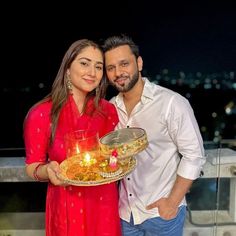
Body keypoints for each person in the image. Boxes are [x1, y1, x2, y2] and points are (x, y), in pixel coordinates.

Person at [102, 34, 206, 236]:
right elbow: (114, 156)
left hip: (161, 214)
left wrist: (171, 203)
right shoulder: (111, 107)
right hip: (124, 214)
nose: (118, 72)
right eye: (111, 68)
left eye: (124, 64)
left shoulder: (171, 103)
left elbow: (194, 155)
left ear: (139, 63)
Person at [23, 39, 122, 236]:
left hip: (104, 204)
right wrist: (48, 170)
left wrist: (116, 159)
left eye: (98, 66)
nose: (92, 72)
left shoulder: (108, 111)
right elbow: (32, 166)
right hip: (66, 204)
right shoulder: (42, 113)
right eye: (84, 63)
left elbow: (114, 156)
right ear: (68, 68)